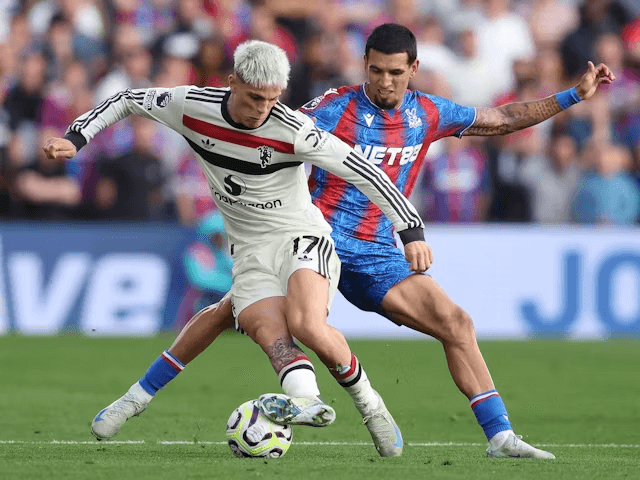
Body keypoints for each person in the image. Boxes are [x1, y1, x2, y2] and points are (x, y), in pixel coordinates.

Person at [77, 24, 614, 459]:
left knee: (456, 323)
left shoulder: (428, 112)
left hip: (379, 256)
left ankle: (499, 437)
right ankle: (136, 398)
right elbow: (271, 135)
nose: (384, 82)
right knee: (229, 311)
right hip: (315, 242)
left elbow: (501, 118)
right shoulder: (331, 109)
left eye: (394, 73)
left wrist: (571, 96)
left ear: (414, 71)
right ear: (365, 66)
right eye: (375, 70)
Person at [43, 39, 435, 457]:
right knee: (272, 337)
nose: (261, 109)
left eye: (271, 99)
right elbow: (127, 99)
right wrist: (76, 137)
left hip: (300, 236)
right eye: (252, 98)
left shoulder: (294, 130)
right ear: (232, 82)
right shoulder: (192, 106)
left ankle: (371, 407)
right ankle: (307, 401)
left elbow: (364, 170)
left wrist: (410, 229)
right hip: (249, 251)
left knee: (305, 323)